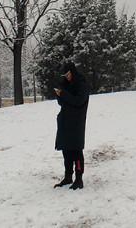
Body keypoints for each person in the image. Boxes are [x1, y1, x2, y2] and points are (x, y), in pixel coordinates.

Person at [53, 61, 89, 190]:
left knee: (76, 150)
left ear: (72, 72)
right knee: (66, 150)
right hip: (65, 120)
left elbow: (78, 101)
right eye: (65, 75)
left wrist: (63, 94)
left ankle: (79, 179)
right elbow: (64, 103)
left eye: (68, 74)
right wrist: (59, 95)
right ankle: (68, 176)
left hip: (76, 122)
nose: (67, 77)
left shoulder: (81, 84)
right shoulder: (66, 85)